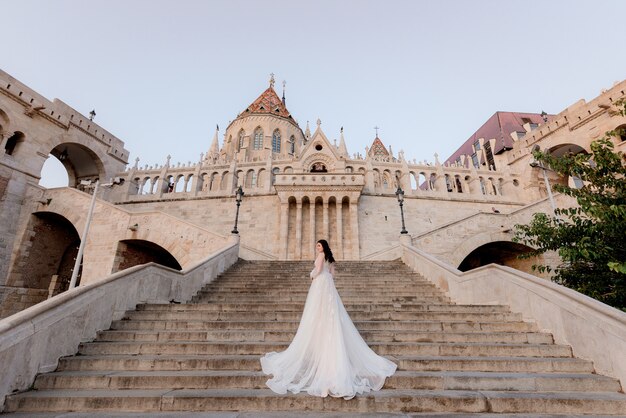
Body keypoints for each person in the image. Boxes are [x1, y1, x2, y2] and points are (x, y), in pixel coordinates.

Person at [260, 239, 397, 399]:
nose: (316, 247)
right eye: (317, 245)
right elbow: (332, 274)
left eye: (318, 245)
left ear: (323, 246)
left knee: (316, 312)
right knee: (331, 314)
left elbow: (317, 270)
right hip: (329, 287)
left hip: (320, 285)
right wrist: (325, 275)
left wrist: (311, 275)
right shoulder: (330, 258)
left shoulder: (320, 256)